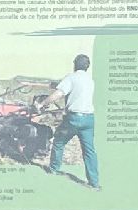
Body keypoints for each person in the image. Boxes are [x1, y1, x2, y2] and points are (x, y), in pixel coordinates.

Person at [36, 54, 98, 189]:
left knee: (58, 141)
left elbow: (59, 93)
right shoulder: (90, 80)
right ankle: (94, 183)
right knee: (89, 151)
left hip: (74, 119)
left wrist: (43, 104)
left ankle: (53, 170)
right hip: (89, 120)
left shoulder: (71, 77)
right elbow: (77, 89)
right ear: (88, 66)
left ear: (75, 64)